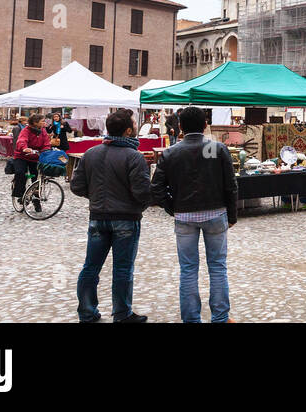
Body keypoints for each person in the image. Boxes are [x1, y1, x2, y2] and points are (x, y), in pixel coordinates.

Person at [151, 106, 237, 324]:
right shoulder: (216, 148)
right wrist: (232, 215)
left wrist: (173, 208)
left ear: (180, 127)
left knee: (188, 269)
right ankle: (220, 317)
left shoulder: (170, 152)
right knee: (217, 266)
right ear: (205, 125)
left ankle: (191, 318)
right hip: (215, 213)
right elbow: (231, 185)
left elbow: (157, 189)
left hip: (185, 216)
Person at [69, 109, 152, 322]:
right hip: (125, 218)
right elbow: (142, 193)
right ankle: (122, 313)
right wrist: (139, 203)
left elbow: (77, 186)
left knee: (90, 267)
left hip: (98, 216)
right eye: (134, 124)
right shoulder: (134, 156)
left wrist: (95, 196)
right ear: (128, 130)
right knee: (122, 269)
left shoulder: (91, 153)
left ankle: (87, 312)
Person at [12, 114, 53, 209]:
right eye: (42, 121)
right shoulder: (26, 130)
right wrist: (25, 148)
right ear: (35, 123)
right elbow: (22, 140)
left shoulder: (43, 131)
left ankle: (36, 200)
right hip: (22, 156)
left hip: (35, 157)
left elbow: (46, 143)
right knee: (20, 173)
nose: (44, 123)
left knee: (38, 179)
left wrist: (47, 150)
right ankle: (20, 194)